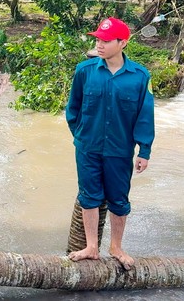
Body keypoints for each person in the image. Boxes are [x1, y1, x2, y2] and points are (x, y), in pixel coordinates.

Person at [65, 17, 155, 270]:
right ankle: (91, 247)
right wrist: (80, 136)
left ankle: (116, 247)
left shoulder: (139, 76)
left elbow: (145, 115)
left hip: (120, 150)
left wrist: (144, 150)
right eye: (98, 39)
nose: (99, 44)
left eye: (106, 40)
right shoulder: (85, 71)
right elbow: (73, 108)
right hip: (88, 148)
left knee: (119, 200)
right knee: (89, 196)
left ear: (123, 43)